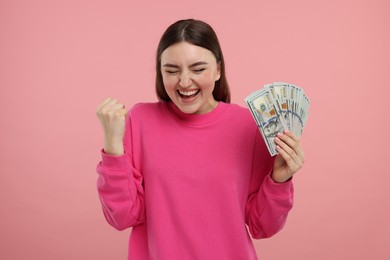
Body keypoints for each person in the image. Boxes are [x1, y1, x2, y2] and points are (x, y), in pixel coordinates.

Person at [96, 18, 305, 260]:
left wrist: (280, 179)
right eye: (172, 71)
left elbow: (263, 226)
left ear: (218, 69)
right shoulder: (139, 120)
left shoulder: (249, 126)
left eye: (198, 69)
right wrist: (113, 147)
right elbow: (122, 217)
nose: (184, 82)